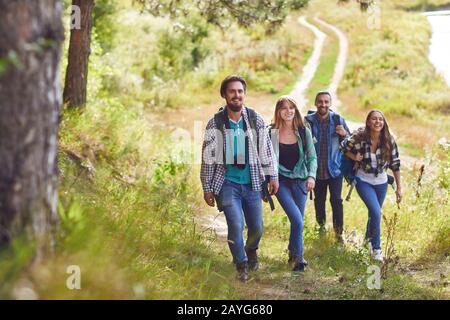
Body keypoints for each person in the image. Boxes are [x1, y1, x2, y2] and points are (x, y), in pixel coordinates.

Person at [200, 75, 279, 282]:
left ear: (244, 94)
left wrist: (272, 176)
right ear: (224, 95)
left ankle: (251, 250)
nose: (236, 95)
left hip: (253, 183)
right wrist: (207, 188)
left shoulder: (254, 119)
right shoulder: (215, 123)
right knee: (235, 224)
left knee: (256, 228)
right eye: (232, 91)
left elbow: (267, 151)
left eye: (240, 91)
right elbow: (207, 159)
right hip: (227, 184)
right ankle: (241, 263)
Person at [341, 109, 402, 261]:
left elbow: (395, 164)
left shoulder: (389, 140)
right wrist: (354, 156)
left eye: (380, 119)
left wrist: (399, 188)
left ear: (384, 122)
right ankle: (376, 249)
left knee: (372, 214)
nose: (377, 122)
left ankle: (367, 242)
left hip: (381, 182)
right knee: (376, 213)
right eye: (374, 119)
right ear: (368, 122)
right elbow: (343, 147)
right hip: (363, 181)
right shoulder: (360, 137)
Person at [269, 96, 317, 272]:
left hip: (301, 181)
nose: (288, 111)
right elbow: (268, 160)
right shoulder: (272, 133)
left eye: (291, 108)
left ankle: (292, 253)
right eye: (284, 108)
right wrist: (269, 180)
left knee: (298, 221)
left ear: (296, 111)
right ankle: (299, 259)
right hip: (280, 181)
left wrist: (311, 177)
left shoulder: (304, 131)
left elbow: (312, 157)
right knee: (297, 219)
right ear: (278, 111)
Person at [304, 92, 350, 241]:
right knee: (319, 200)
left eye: (326, 102)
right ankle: (321, 227)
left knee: (336, 200)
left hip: (334, 169)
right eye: (320, 102)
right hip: (316, 170)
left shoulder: (337, 119)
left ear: (330, 103)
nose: (323, 105)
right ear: (315, 103)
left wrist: (344, 134)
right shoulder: (308, 121)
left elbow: (350, 142)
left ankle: (339, 233)